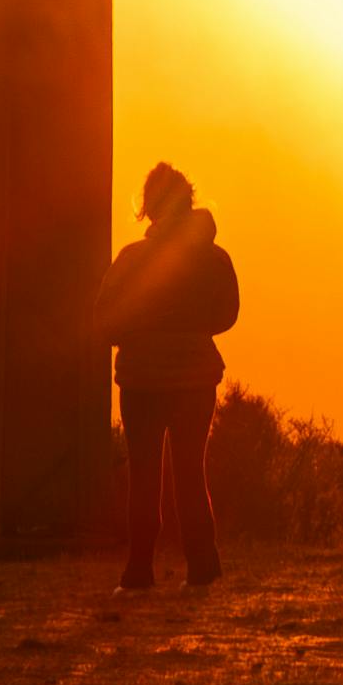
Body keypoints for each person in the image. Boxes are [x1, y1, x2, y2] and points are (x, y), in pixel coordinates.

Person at [98, 159, 240, 592]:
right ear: (188, 201)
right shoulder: (215, 258)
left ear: (149, 208)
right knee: (190, 472)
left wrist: (139, 333)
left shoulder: (131, 259)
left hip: (141, 378)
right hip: (196, 376)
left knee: (144, 476)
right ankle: (202, 568)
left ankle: (138, 572)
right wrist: (190, 330)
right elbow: (228, 314)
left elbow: (104, 319)